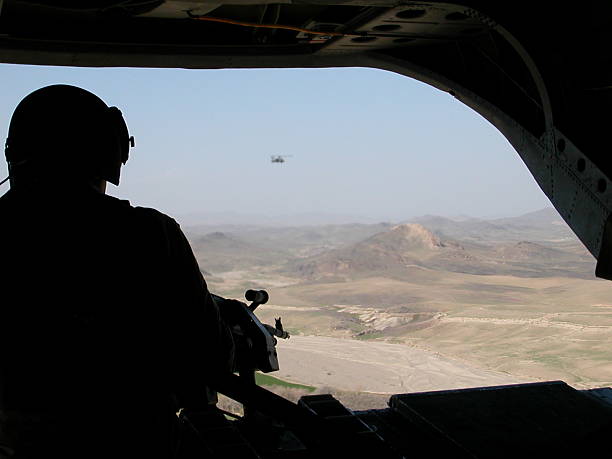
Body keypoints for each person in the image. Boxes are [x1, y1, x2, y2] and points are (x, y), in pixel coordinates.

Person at [0, 85, 234, 458]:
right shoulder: (149, 235)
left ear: (14, 152)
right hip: (129, 441)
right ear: (111, 152)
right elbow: (210, 357)